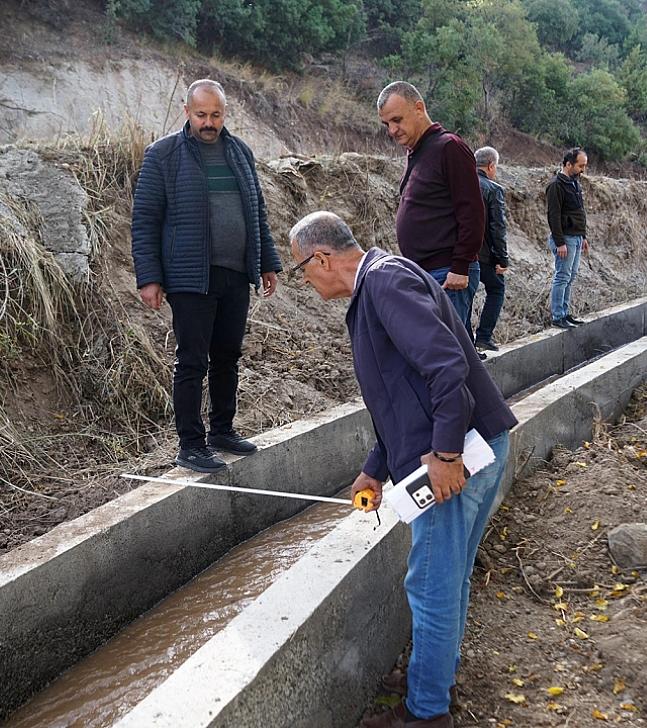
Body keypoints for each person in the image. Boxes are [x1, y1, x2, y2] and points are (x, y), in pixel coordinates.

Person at [288, 211, 517, 728]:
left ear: (321, 258)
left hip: (459, 456)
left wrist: (446, 455)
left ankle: (426, 714)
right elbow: (400, 395)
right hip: (467, 445)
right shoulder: (381, 282)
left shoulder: (385, 283)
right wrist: (375, 467)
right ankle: (435, 677)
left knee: (432, 582)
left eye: (303, 270)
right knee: (449, 577)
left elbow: (446, 367)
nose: (306, 281)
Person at [131, 79, 282, 473]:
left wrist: (267, 261)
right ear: (187, 112)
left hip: (235, 274)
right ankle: (191, 445)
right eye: (201, 115)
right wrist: (149, 276)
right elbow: (145, 220)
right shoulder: (163, 155)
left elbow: (257, 212)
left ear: (225, 113)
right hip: (189, 277)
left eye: (216, 114)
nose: (209, 122)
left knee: (228, 357)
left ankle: (221, 431)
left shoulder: (240, 153)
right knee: (192, 362)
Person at [377, 81, 485, 331]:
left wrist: (460, 266)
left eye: (397, 119)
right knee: (445, 357)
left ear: (418, 108)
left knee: (448, 358)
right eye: (387, 124)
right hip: (428, 273)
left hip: (448, 275)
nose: (392, 130)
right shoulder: (418, 151)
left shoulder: (449, 147)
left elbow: (473, 212)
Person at [545, 148, 589, 329]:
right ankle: (558, 316)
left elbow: (579, 212)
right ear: (568, 164)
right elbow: (553, 216)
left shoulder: (574, 184)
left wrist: (583, 236)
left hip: (576, 237)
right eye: (580, 166)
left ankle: (564, 313)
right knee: (562, 276)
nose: (583, 170)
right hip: (566, 238)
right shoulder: (556, 185)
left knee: (571, 277)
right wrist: (560, 241)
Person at [472, 147, 510, 351]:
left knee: (464, 298)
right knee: (497, 288)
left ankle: (467, 343)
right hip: (483, 255)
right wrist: (502, 259)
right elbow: (497, 228)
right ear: (491, 165)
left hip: (459, 254)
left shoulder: (461, 184)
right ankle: (484, 336)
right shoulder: (493, 189)